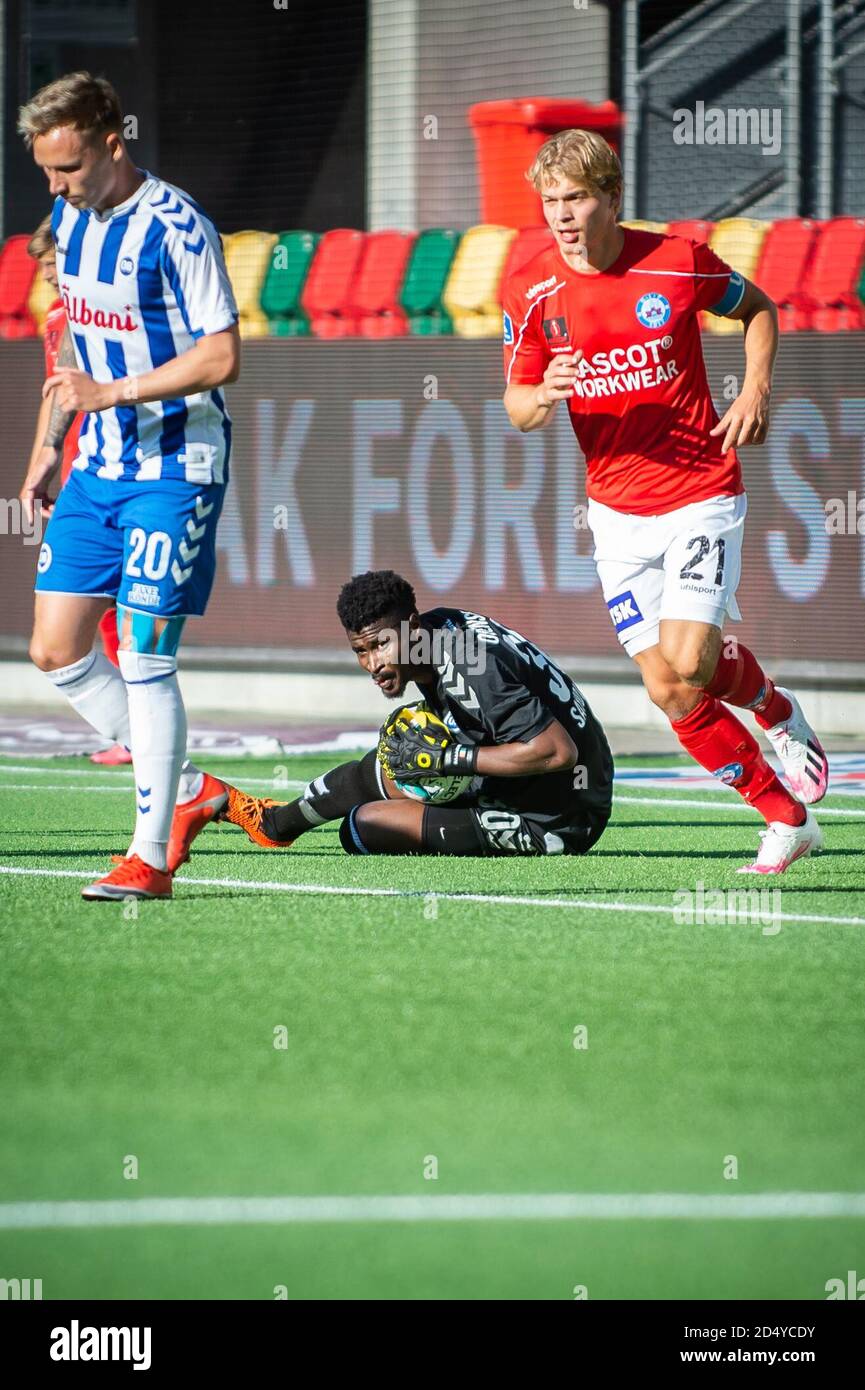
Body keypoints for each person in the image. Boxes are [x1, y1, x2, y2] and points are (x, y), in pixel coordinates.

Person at [501, 128, 827, 875]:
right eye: (549, 201)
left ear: (611, 197)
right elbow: (515, 406)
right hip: (614, 514)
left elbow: (759, 309)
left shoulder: (676, 262)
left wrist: (754, 388)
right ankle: (785, 818)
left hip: (699, 493)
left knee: (688, 657)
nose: (561, 214)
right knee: (666, 685)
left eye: (576, 198)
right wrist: (542, 394)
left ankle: (774, 709)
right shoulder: (531, 289)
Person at [17, 71, 240, 900]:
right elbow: (74, 334)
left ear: (113, 142)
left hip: (174, 470)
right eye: (45, 170)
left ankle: (150, 857)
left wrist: (110, 396)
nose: (55, 186)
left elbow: (222, 358)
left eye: (67, 168)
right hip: (96, 464)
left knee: (145, 654)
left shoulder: (178, 227)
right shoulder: (70, 222)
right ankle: (190, 791)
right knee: (55, 647)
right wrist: (50, 443)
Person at [167, 570, 614, 863]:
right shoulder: (436, 634)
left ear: (412, 626)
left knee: (361, 828)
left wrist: (452, 759)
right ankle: (273, 825)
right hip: (528, 783)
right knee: (390, 762)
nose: (373, 663)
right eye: (360, 651)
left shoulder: (472, 665)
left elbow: (556, 751)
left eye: (381, 645)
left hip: (558, 818)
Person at [26, 214, 130, 765]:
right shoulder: (59, 316)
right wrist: (41, 460)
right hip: (76, 468)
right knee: (91, 611)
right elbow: (54, 394)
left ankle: (140, 728)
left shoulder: (99, 310)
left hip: (113, 468)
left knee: (123, 603)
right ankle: (133, 729)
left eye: (51, 264)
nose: (46, 277)